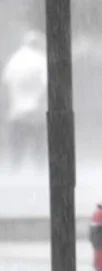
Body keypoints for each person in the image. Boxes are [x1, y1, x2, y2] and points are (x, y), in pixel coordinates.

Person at [1, 31, 47, 171]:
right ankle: (39, 166)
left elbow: (6, 81)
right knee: (38, 139)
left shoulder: (15, 59)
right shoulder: (40, 59)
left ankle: (16, 164)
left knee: (18, 139)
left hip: (17, 108)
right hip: (36, 107)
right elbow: (46, 82)